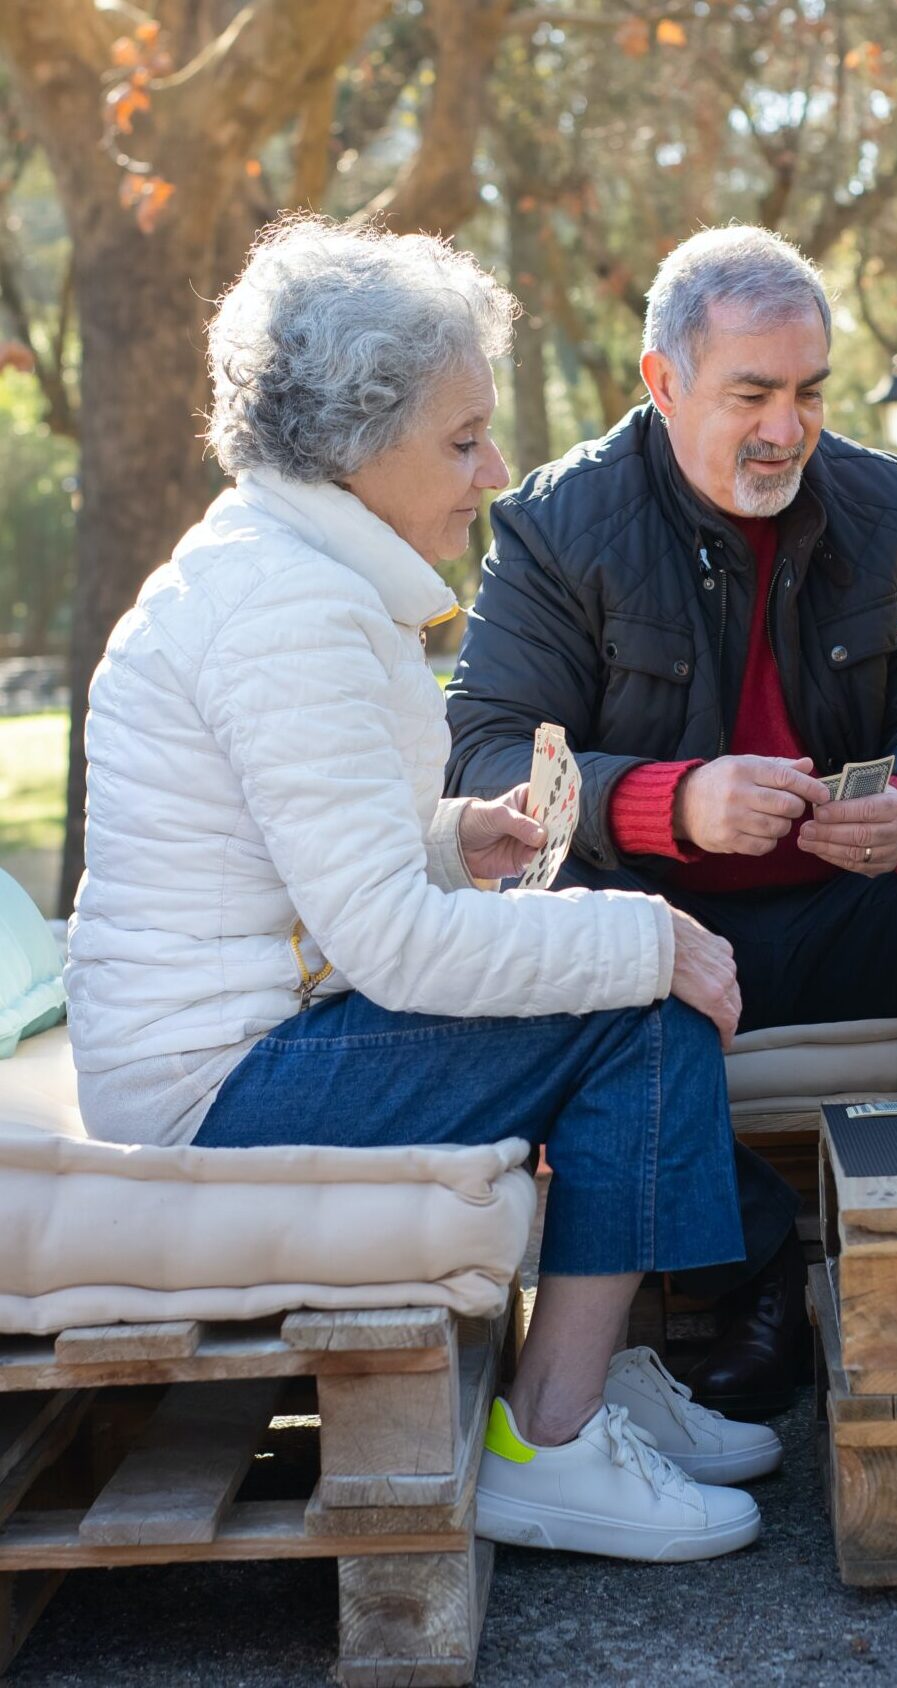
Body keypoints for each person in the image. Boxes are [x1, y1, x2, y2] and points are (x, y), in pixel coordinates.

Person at [65, 215, 783, 1565]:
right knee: (641, 1002)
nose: (494, 472)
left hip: (249, 1032)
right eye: (463, 440)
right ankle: (555, 1440)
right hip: (218, 1083)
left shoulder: (282, 572)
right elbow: (392, 951)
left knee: (633, 981)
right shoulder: (289, 610)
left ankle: (589, 1383)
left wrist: (458, 836)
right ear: (353, 442)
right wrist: (641, 934)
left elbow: (292, 847)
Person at [445, 225, 897, 1412]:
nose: (786, 427)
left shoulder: (879, 498)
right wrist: (674, 801)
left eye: (809, 392)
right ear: (663, 382)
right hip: (665, 931)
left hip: (851, 905)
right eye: (752, 392)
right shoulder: (556, 524)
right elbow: (491, 751)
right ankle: (758, 1280)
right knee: (579, 964)